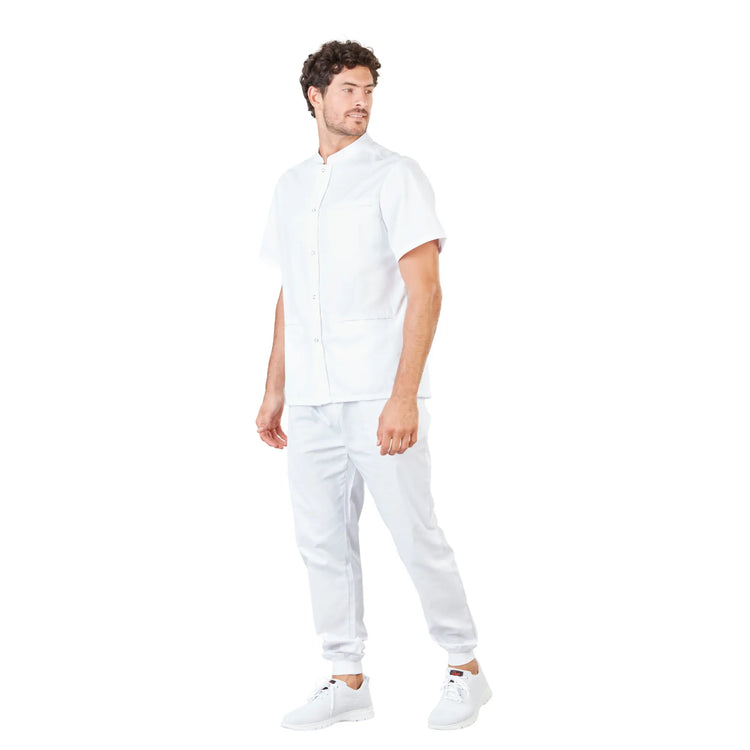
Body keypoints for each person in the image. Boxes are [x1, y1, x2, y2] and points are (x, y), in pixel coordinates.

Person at [256, 39, 491, 731]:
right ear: (315, 97)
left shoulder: (396, 176)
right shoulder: (291, 186)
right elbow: (291, 294)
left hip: (378, 394)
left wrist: (403, 395)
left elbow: (427, 291)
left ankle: (465, 666)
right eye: (348, 90)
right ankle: (346, 677)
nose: (361, 102)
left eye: (368, 91)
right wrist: (274, 389)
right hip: (312, 399)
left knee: (415, 534)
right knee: (321, 542)